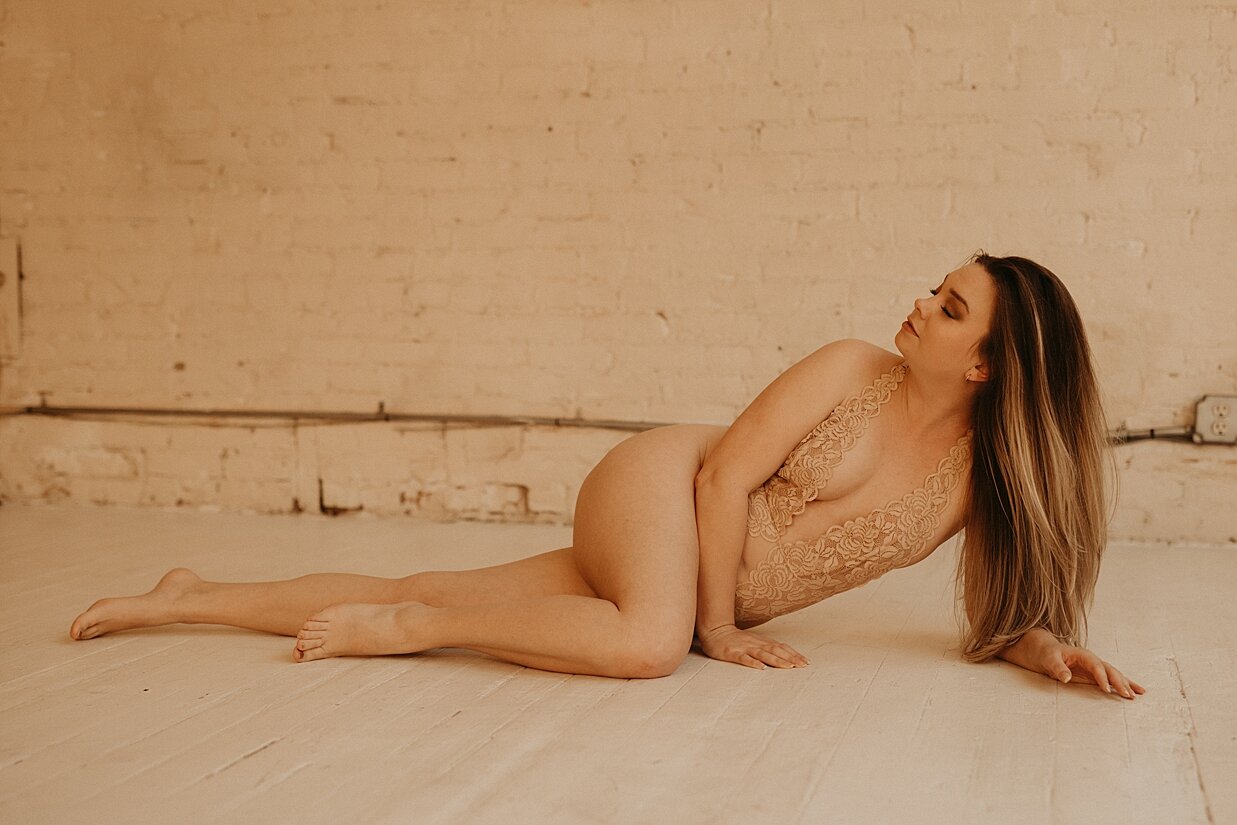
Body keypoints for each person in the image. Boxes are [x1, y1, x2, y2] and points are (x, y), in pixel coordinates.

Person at [70, 252, 1145, 699]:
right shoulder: (849, 369)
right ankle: (410, 632)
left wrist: (1046, 649)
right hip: (661, 489)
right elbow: (722, 479)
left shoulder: (974, 484)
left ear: (988, 365)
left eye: (948, 310)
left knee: (438, 582)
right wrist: (713, 628)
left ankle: (190, 597)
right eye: (934, 288)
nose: (918, 304)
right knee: (646, 645)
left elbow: (999, 617)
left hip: (668, 573)